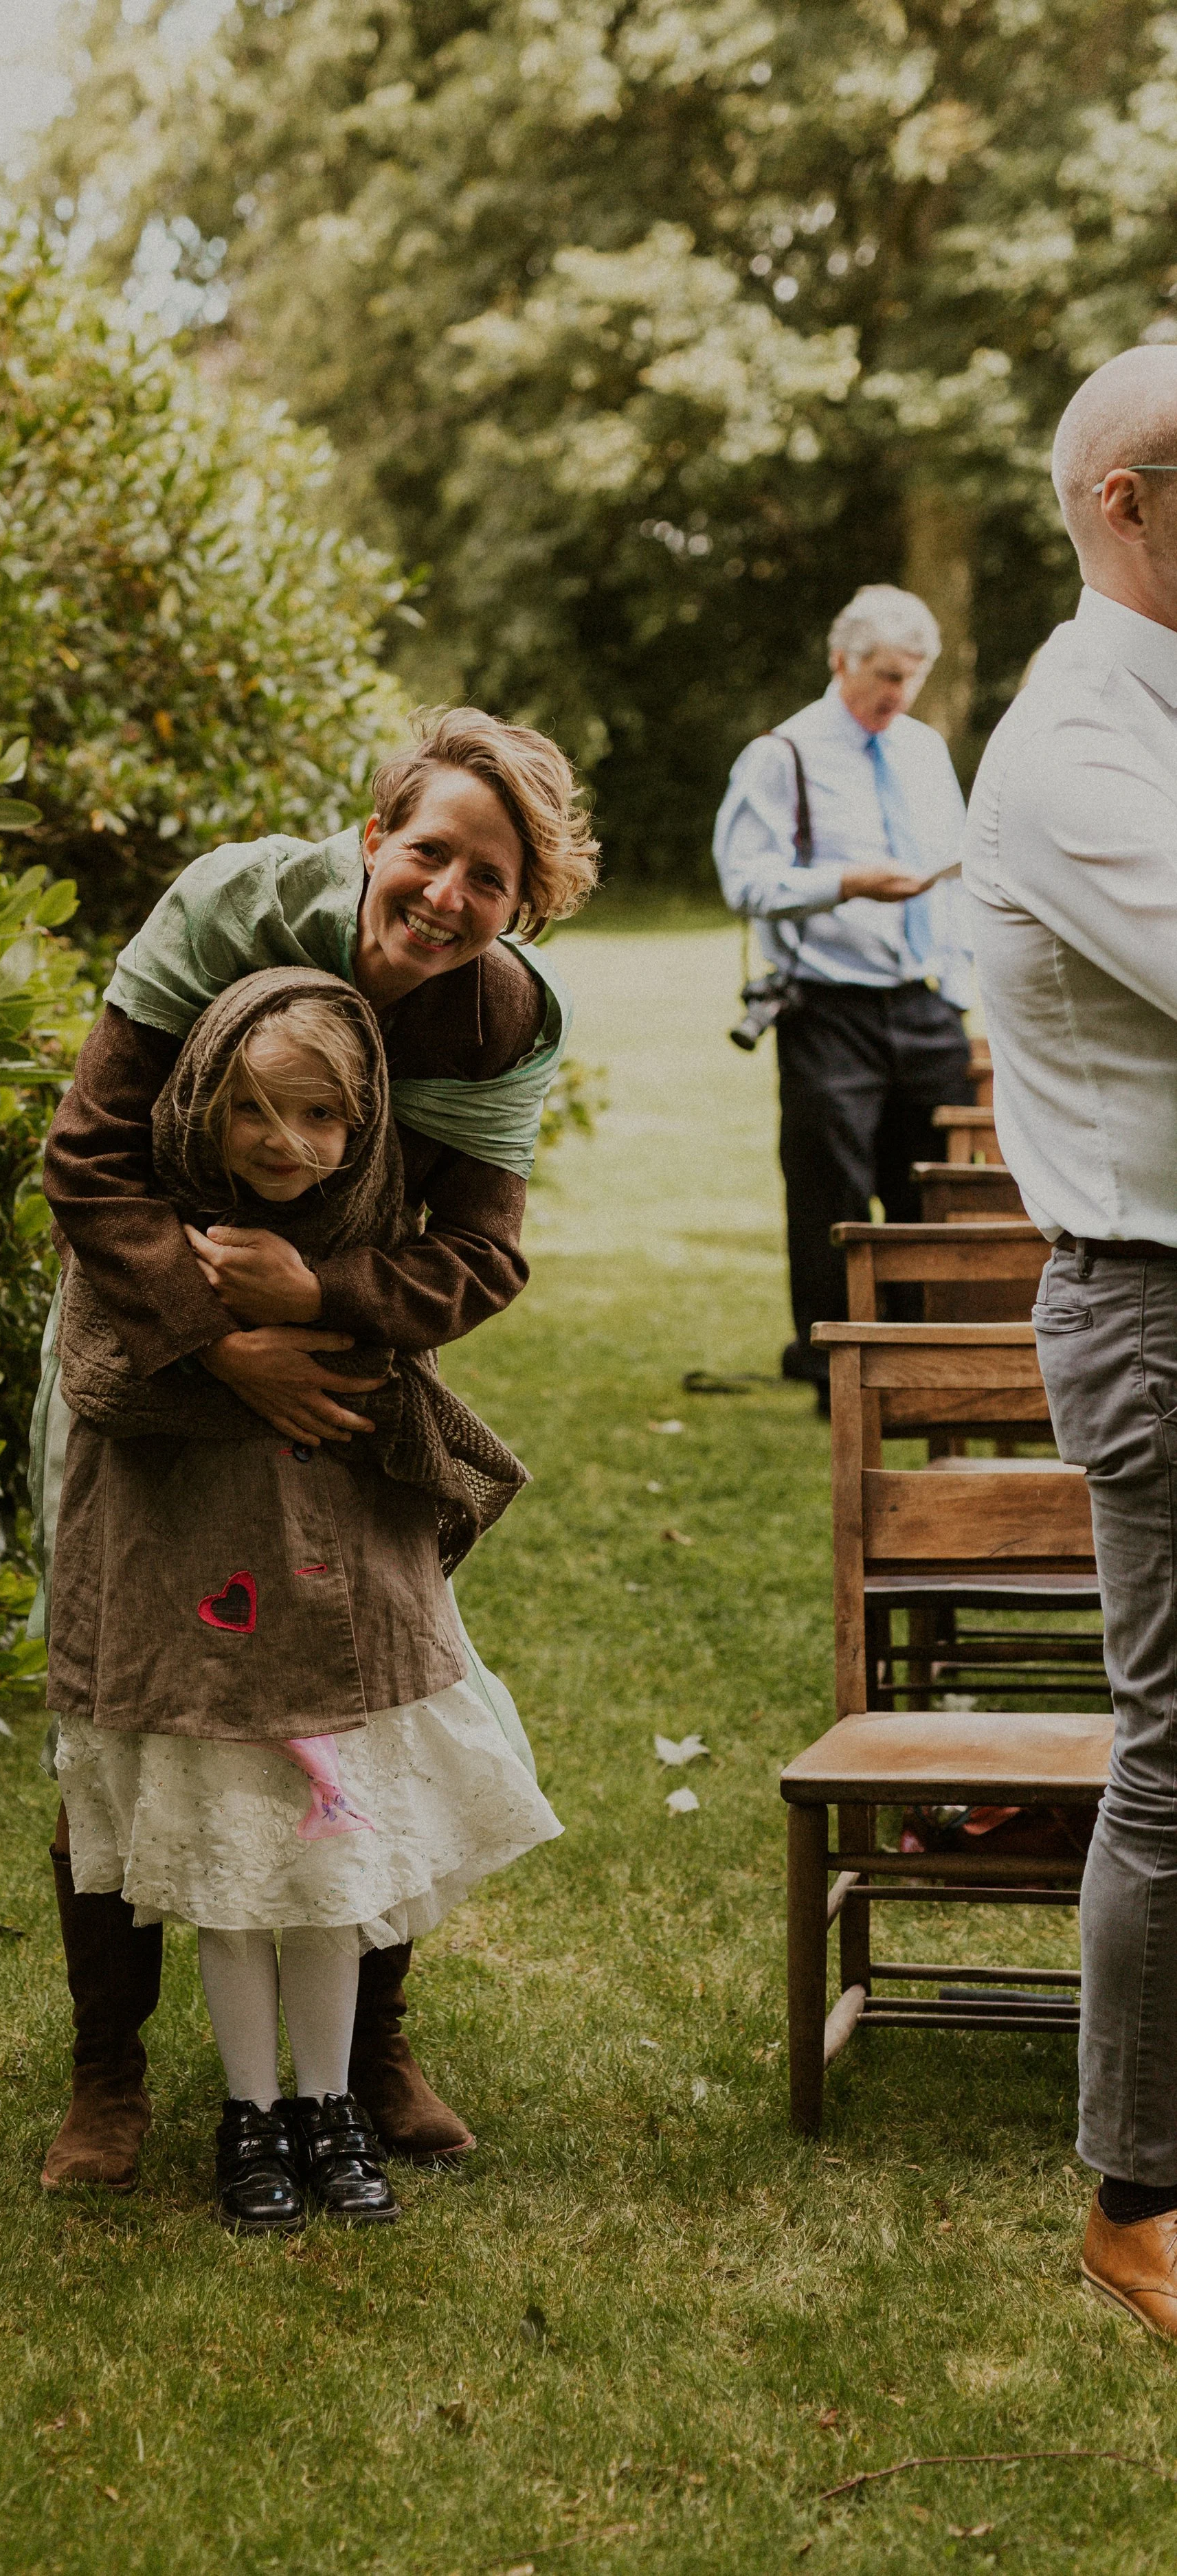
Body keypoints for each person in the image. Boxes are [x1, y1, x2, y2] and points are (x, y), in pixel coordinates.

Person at [35, 705, 598, 2192]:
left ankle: (371, 2050)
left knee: (370, 1697)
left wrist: (326, 1300)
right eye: (427, 852)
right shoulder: (231, 906)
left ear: (519, 907)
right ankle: (108, 2073)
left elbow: (476, 1253)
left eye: (489, 880)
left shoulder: (503, 1024)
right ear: (370, 839)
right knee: (133, 1696)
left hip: (341, 1373)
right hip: (151, 1333)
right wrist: (218, 1342)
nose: (445, 895)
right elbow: (88, 1155)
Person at [964, 343, 1177, 2338]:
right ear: (1125, 497)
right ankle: (1131, 2195)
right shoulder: (1063, 748)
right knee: (1176, 1763)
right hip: (1152, 1299)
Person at [713, 585, 975, 1409]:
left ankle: (920, 1362)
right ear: (841, 661)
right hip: (828, 1007)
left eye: (912, 678)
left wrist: (963, 985)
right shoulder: (781, 754)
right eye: (885, 675)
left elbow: (959, 875)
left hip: (928, 1002)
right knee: (829, 1187)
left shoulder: (926, 751)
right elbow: (744, 881)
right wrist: (848, 884)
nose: (896, 694)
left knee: (929, 1186)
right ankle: (834, 1368)